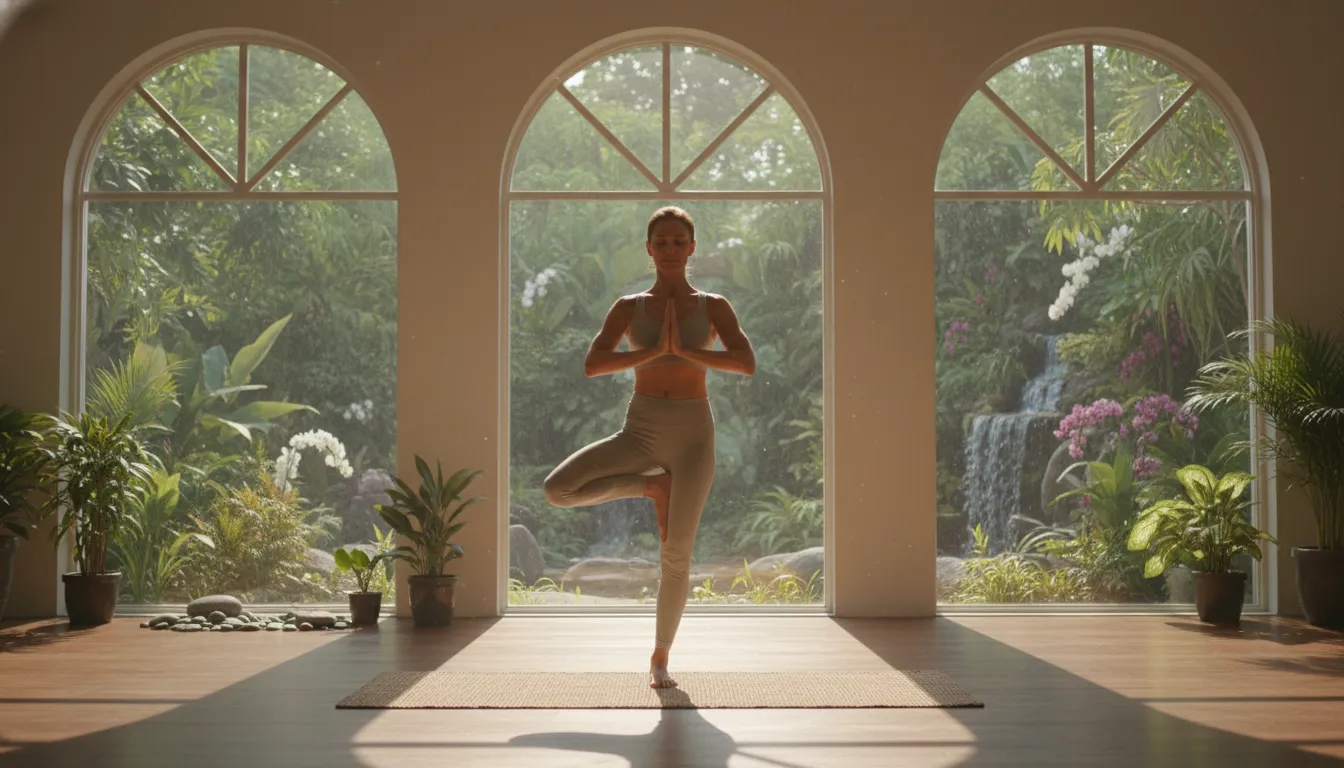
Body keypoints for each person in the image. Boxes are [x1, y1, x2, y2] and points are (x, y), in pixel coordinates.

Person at [543, 206, 756, 689]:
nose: (670, 250)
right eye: (661, 242)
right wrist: (653, 352)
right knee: (558, 489)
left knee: (677, 552)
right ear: (649, 248)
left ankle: (660, 656)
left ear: (692, 247)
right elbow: (594, 364)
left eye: (679, 241)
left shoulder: (714, 305)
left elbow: (745, 363)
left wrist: (686, 352)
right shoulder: (628, 307)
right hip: (639, 430)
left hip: (693, 436)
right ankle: (649, 487)